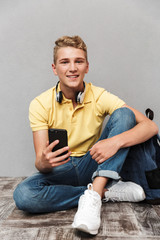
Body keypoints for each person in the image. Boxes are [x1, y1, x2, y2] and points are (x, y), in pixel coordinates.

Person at [13, 35, 158, 235]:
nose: (72, 68)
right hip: (62, 169)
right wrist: (44, 162)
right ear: (55, 68)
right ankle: (104, 192)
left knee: (124, 114)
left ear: (87, 67)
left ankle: (94, 196)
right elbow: (40, 162)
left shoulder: (99, 95)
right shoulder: (39, 103)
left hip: (93, 162)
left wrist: (114, 142)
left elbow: (150, 127)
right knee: (24, 195)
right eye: (65, 62)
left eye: (78, 61)